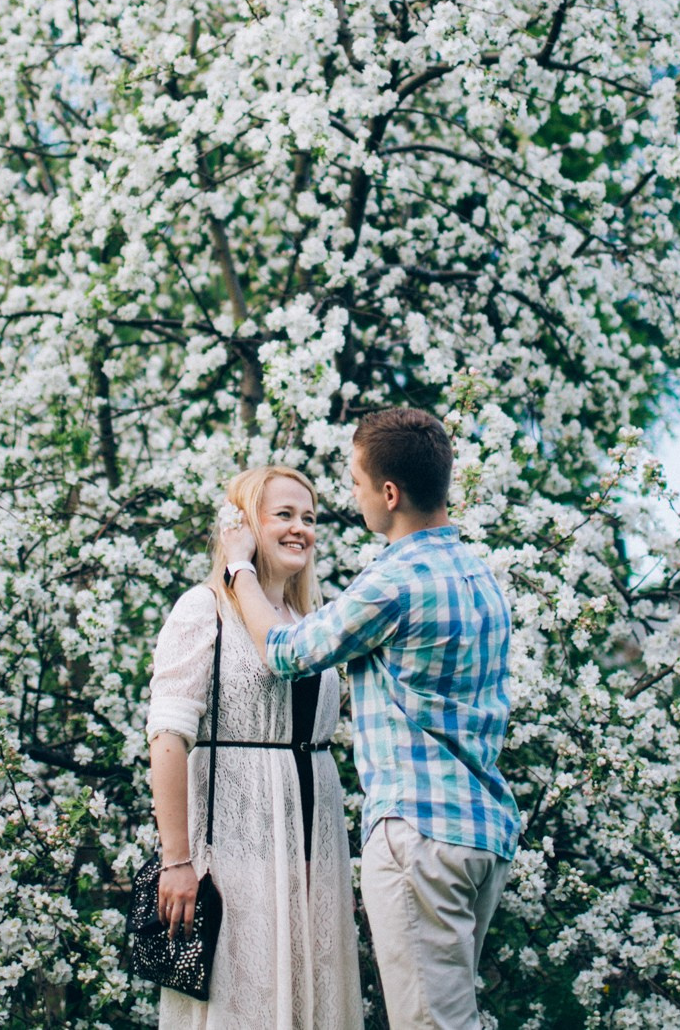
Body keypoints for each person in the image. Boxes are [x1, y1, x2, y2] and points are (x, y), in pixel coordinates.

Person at [223, 408, 519, 1030]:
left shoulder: (395, 581)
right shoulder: (481, 578)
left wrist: (239, 568)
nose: (352, 500)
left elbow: (286, 653)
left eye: (356, 486)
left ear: (389, 493)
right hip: (484, 834)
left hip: (420, 833)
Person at [144, 466, 362, 1029]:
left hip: (316, 844)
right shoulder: (204, 608)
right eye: (283, 515)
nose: (300, 530)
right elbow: (167, 735)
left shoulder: (309, 620)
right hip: (237, 845)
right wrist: (177, 861)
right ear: (243, 525)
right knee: (244, 998)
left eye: (309, 518)